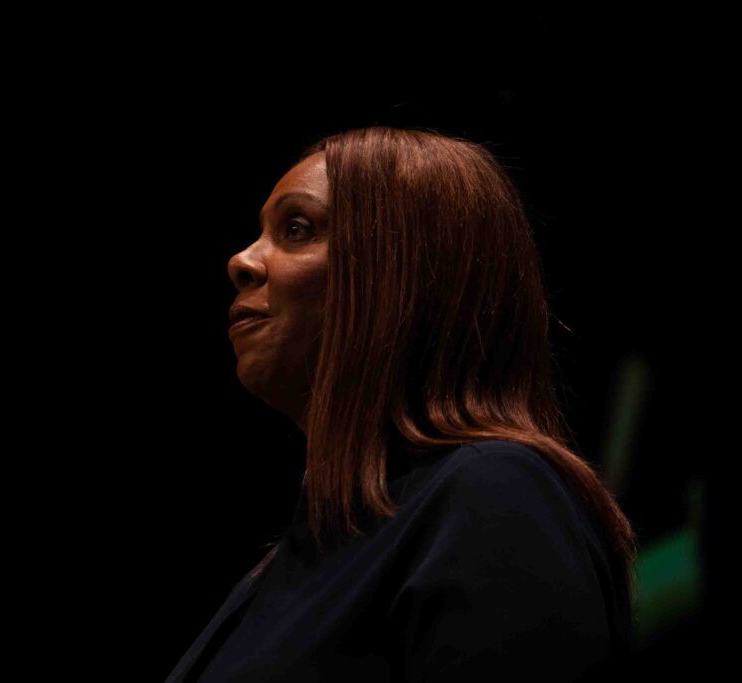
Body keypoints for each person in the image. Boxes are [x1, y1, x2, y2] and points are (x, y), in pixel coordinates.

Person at [164, 126, 637, 682]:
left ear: (405, 275)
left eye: (296, 229)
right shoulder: (316, 543)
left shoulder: (494, 494)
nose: (241, 260)